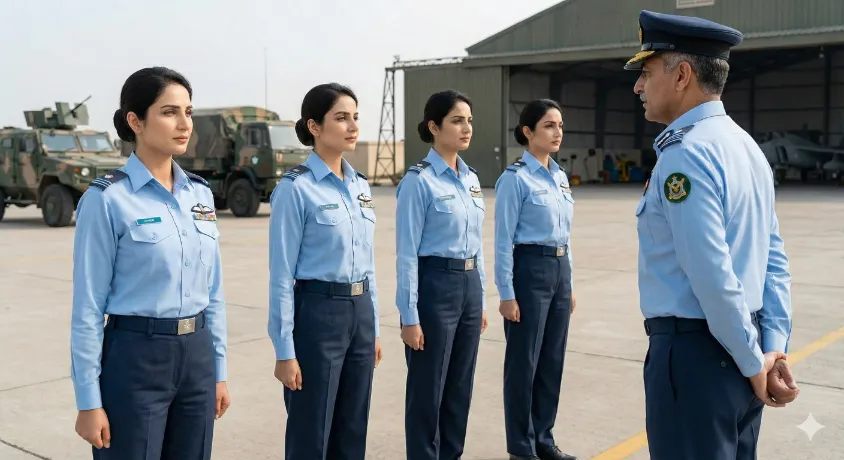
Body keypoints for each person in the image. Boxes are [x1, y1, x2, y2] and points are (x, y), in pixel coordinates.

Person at [625, 10, 799, 460]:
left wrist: (752, 362)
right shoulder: (746, 147)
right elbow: (773, 259)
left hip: (698, 361)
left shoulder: (685, 155)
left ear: (681, 74)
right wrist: (772, 349)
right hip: (746, 352)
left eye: (646, 72)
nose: (637, 87)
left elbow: (712, 277)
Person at [70, 66, 231, 460]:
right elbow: (88, 307)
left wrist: (218, 370)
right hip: (135, 358)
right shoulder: (107, 200)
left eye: (188, 112)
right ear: (135, 121)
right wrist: (88, 400)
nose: (184, 124)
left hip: (196, 356)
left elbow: (214, 292)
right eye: (169, 112)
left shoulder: (200, 194)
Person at [268, 82, 383, 460]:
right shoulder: (296, 189)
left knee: (353, 425)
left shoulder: (360, 186)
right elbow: (282, 274)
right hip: (318, 313)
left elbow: (368, 263)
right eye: (340, 118)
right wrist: (285, 350)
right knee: (311, 426)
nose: (352, 126)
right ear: (314, 126)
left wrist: (374, 328)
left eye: (355, 118)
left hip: (359, 313)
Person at [395, 89, 488, 460]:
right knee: (427, 388)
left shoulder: (471, 179)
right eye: (457, 120)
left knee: (459, 386)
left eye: (469, 120)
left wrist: (479, 297)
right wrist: (409, 315)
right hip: (435, 286)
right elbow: (406, 254)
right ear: (434, 127)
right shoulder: (419, 182)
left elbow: (476, 243)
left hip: (468, 288)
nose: (466, 128)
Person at [494, 99, 577, 460]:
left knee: (551, 361)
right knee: (523, 363)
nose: (557, 132)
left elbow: (566, 235)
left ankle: (544, 438)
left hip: (558, 273)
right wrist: (507, 293)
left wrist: (569, 283)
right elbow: (502, 241)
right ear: (528, 132)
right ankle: (521, 446)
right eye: (548, 125)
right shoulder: (515, 179)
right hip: (529, 271)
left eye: (560, 125)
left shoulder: (560, 176)